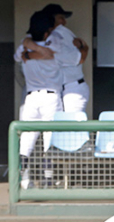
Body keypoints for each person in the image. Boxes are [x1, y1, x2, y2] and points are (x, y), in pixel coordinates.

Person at [14, 10, 82, 189]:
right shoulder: (57, 44)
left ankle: (24, 180)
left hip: (30, 98)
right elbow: (77, 58)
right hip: (51, 97)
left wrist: (30, 47)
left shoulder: (24, 47)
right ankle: (47, 179)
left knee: (26, 141)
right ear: (47, 31)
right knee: (48, 140)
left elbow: (18, 56)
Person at [21, 4, 90, 113]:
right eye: (61, 18)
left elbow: (79, 58)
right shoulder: (41, 35)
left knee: (71, 127)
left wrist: (28, 55)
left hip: (71, 87)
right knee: (57, 127)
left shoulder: (60, 34)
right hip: (54, 90)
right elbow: (26, 42)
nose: (64, 22)